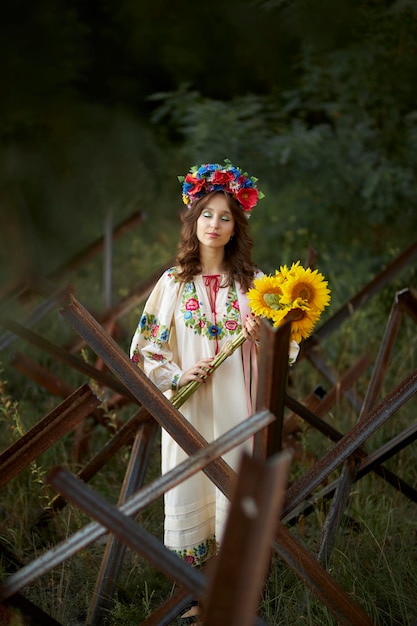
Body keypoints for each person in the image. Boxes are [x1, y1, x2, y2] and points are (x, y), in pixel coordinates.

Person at [130, 160, 263, 573]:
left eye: (225, 217)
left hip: (236, 409)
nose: (215, 224)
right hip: (187, 410)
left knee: (234, 488)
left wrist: (262, 335)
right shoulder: (172, 282)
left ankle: (233, 596)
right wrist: (175, 375)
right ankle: (194, 596)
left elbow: (286, 347)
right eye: (207, 214)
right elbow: (146, 345)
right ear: (193, 218)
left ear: (236, 227)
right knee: (192, 484)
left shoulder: (254, 283)